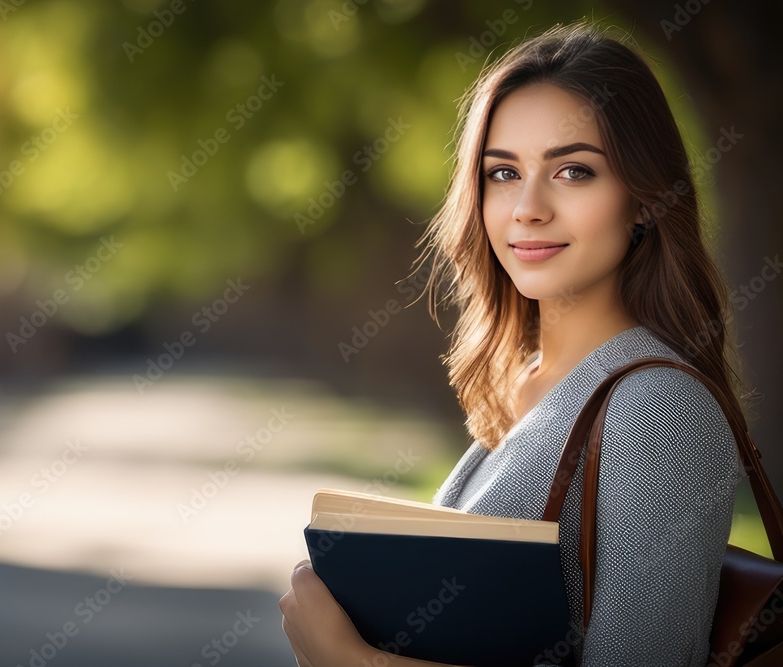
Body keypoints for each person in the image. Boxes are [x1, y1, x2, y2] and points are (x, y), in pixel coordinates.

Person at [279, 19, 755, 667]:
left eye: (574, 172)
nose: (527, 207)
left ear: (644, 199)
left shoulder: (658, 408)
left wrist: (355, 661)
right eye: (503, 173)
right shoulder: (525, 385)